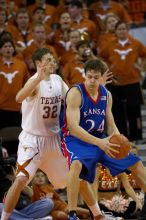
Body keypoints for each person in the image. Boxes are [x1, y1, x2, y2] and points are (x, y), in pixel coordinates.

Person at [61, 59, 146, 220]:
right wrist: (100, 142)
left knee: (136, 163)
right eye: (89, 76)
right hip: (75, 140)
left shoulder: (106, 95)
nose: (92, 80)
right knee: (76, 165)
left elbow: (111, 124)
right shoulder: (75, 93)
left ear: (101, 77)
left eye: (96, 77)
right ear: (84, 75)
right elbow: (73, 128)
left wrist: (119, 139)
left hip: (101, 138)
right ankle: (72, 213)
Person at [0, 47, 69, 220]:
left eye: (53, 59)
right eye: (48, 59)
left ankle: (91, 213)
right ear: (39, 63)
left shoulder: (58, 80)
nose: (53, 62)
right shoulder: (34, 82)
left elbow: (72, 99)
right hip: (32, 140)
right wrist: (38, 77)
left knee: (71, 178)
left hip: (54, 138)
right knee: (21, 179)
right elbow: (19, 97)